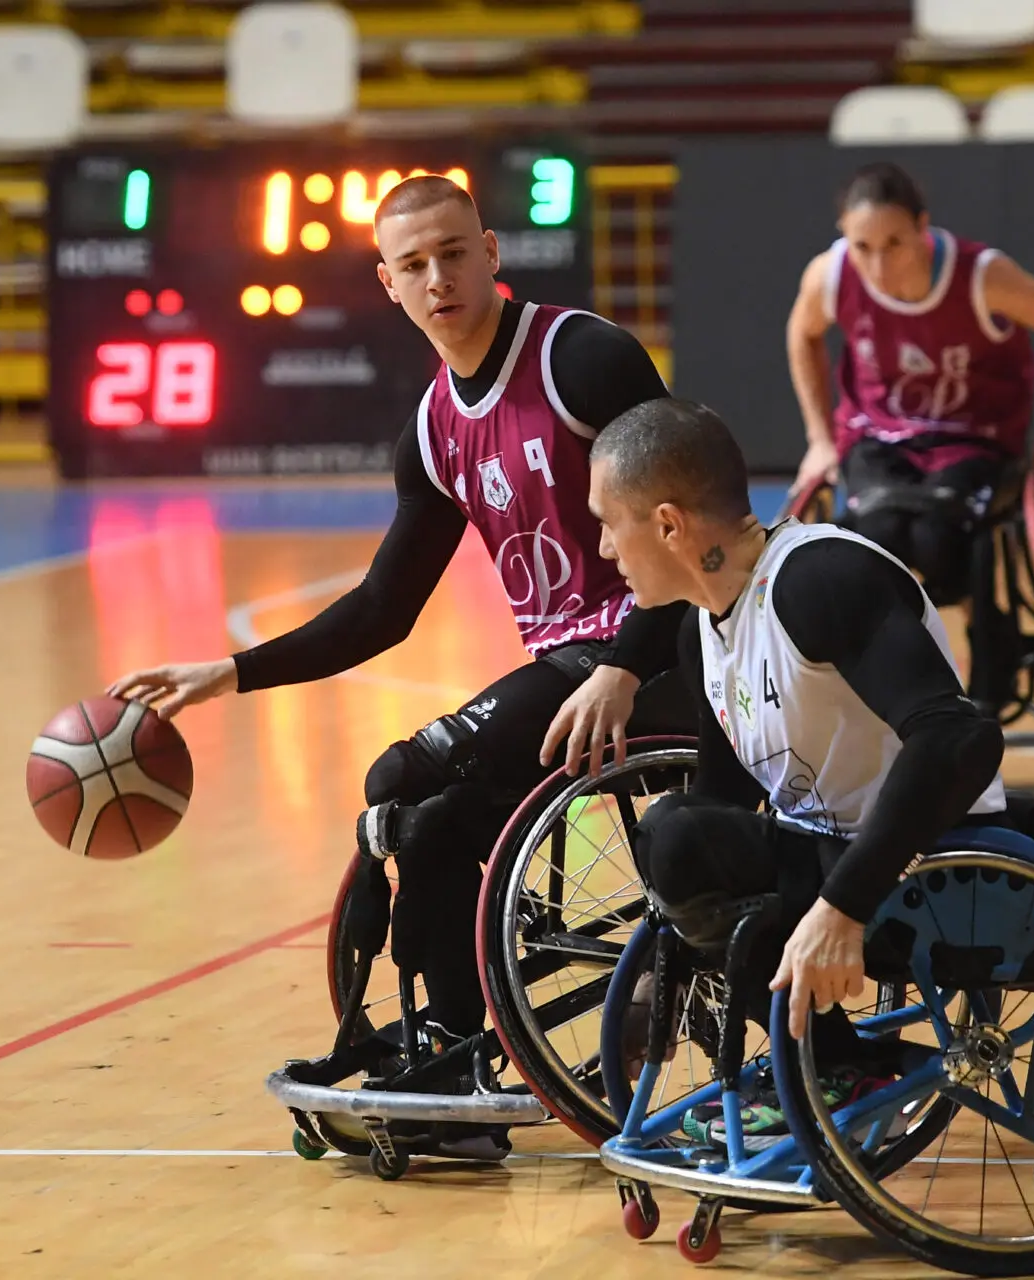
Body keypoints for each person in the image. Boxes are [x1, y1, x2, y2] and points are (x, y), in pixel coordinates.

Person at [108, 176, 691, 1155]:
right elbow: (384, 606)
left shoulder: (581, 359)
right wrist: (232, 670)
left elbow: (692, 518)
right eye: (412, 264)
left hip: (666, 650)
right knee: (421, 807)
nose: (437, 277)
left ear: (491, 253)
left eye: (452, 253)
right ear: (386, 283)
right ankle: (457, 1057)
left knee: (411, 767)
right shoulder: (430, 430)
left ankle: (460, 1042)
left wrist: (627, 666)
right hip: (570, 665)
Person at [586, 396, 1006, 1147]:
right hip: (839, 868)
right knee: (681, 831)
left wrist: (842, 906)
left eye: (608, 522)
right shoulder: (705, 630)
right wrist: (661, 979)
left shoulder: (818, 580)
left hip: (938, 875)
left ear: (670, 525)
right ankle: (833, 1055)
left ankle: (841, 1058)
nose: (604, 548)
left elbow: (959, 737)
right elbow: (717, 813)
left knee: (675, 835)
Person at [785, 163, 1034, 707]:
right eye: (862, 246)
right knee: (868, 538)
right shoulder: (829, 276)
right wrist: (819, 438)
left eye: (894, 243)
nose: (877, 263)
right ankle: (886, 684)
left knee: (940, 541)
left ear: (923, 227)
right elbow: (801, 335)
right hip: (877, 433)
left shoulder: (981, 275)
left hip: (973, 433)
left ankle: (990, 666)